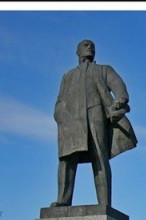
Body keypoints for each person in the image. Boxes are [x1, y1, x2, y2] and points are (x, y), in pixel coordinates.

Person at [51, 39, 137, 208]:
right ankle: (63, 199)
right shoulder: (68, 76)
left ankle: (104, 204)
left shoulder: (103, 70)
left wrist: (120, 99)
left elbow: (118, 85)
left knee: (100, 156)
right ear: (77, 52)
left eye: (92, 46)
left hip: (95, 114)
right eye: (85, 45)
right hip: (71, 121)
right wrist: (60, 116)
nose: (89, 47)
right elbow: (60, 101)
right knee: (66, 160)